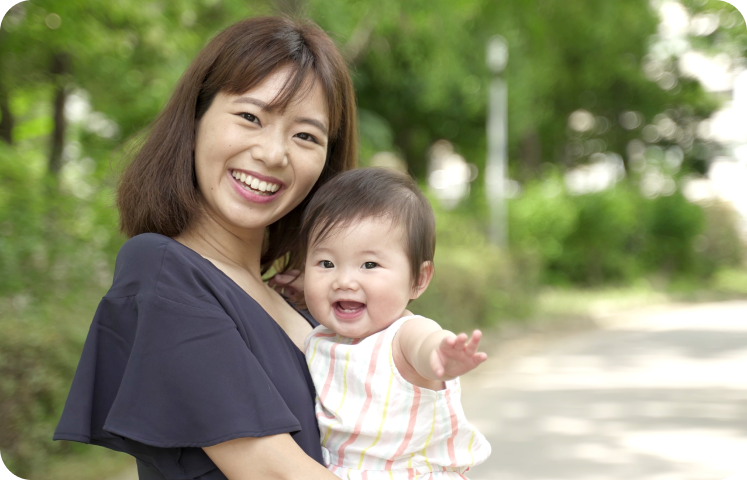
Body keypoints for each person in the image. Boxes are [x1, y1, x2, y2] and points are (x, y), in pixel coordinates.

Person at [53, 16, 357, 480]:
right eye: (250, 117)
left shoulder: (299, 305)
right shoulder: (161, 270)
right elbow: (275, 473)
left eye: (305, 136)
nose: (274, 154)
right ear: (195, 118)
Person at [300, 168, 492, 479]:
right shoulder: (321, 336)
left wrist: (439, 355)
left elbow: (424, 342)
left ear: (418, 278)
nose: (344, 280)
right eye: (326, 263)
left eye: (369, 264)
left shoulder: (401, 336)